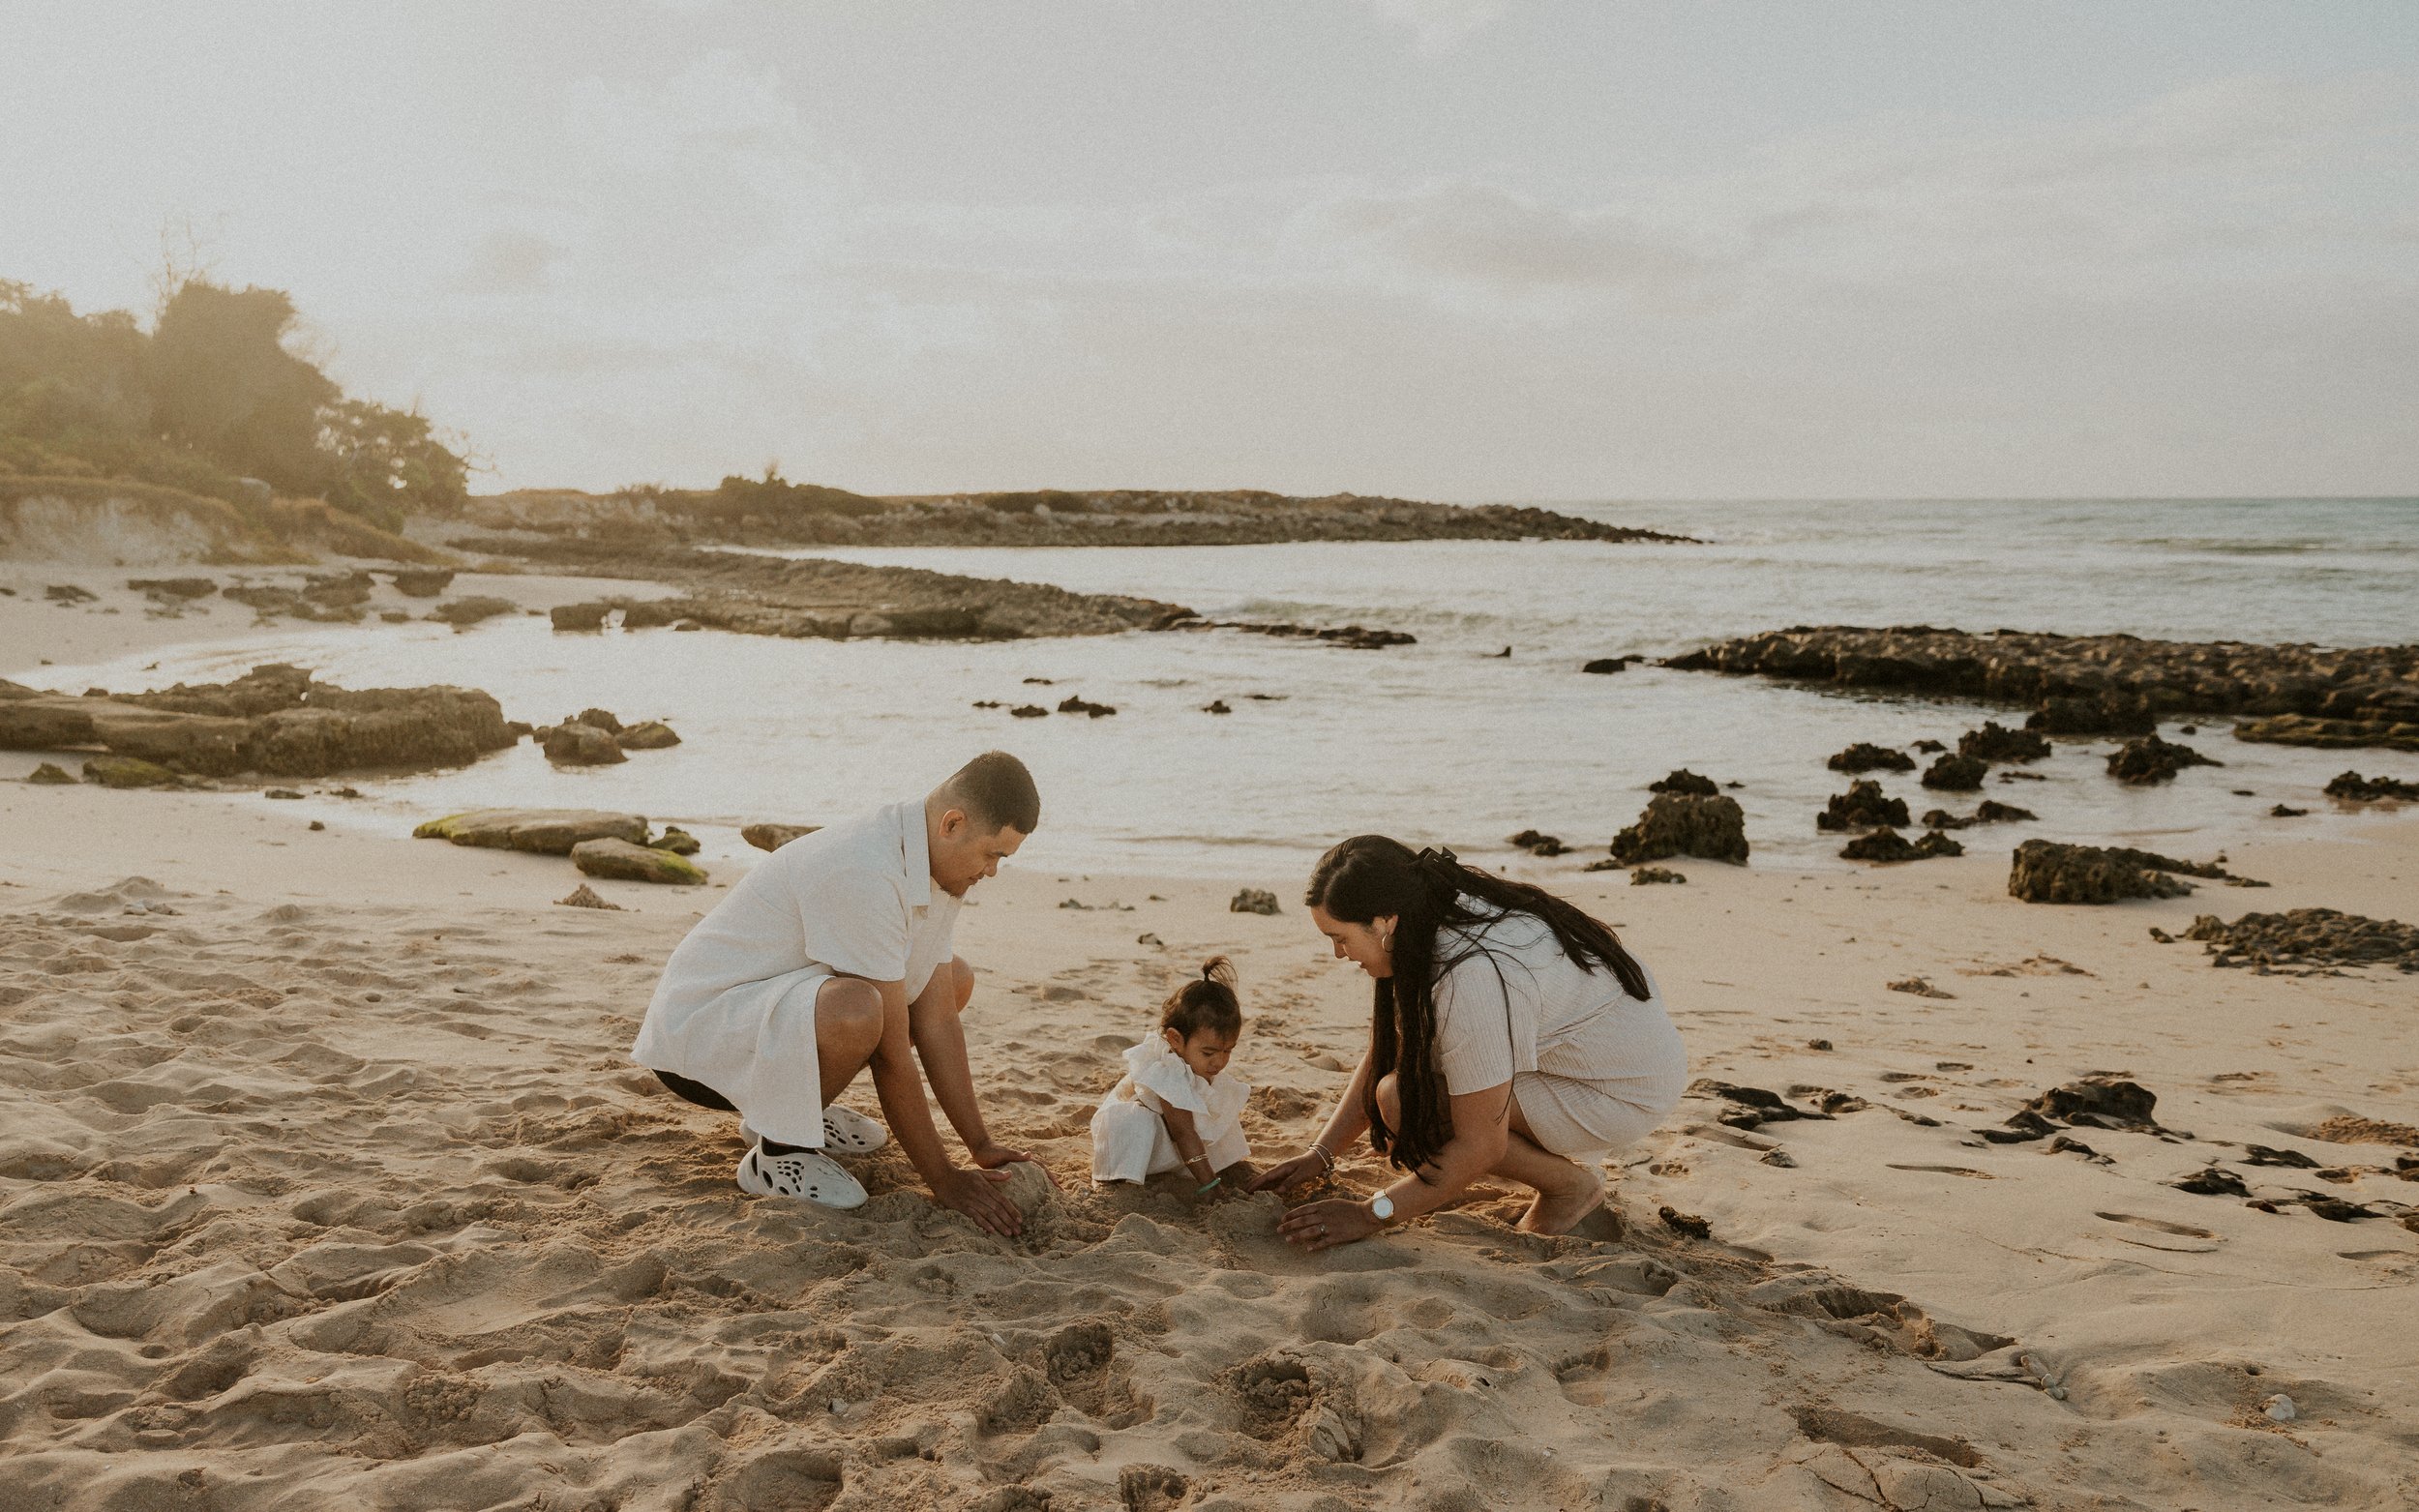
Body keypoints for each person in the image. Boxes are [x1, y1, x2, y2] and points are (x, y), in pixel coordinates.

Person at [631, 752, 1050, 1236]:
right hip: (697, 1045)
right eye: (992, 854)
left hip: (760, 1018)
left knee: (954, 978)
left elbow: (936, 1017)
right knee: (859, 1009)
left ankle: (788, 1108)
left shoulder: (933, 862)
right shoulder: (866, 868)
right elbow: (891, 1055)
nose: (992, 871)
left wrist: (979, 1144)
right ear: (952, 824)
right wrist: (944, 1179)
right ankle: (778, 1152)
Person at [1246, 836, 1686, 1249]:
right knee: (1402, 1092)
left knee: (1405, 1103)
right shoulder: (1431, 914)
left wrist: (1369, 1214)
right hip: (1595, 1058)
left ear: (1384, 923)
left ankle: (1569, 1187)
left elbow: (1481, 1145)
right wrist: (1320, 1154)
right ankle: (1562, 1178)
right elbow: (1389, 1049)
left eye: (1340, 938)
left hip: (1619, 1090)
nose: (1339, 954)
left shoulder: (1471, 974)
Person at [1090, 957, 1253, 1191]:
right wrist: (1209, 1185)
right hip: (1131, 1138)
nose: (1219, 1061)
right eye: (1208, 1053)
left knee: (1220, 1106)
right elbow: (1184, 1133)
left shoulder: (1196, 1062)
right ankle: (1112, 1177)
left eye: (1228, 1050)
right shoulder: (1167, 1071)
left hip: (1165, 1139)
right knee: (1137, 1122)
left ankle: (1226, 1164)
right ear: (1175, 1039)